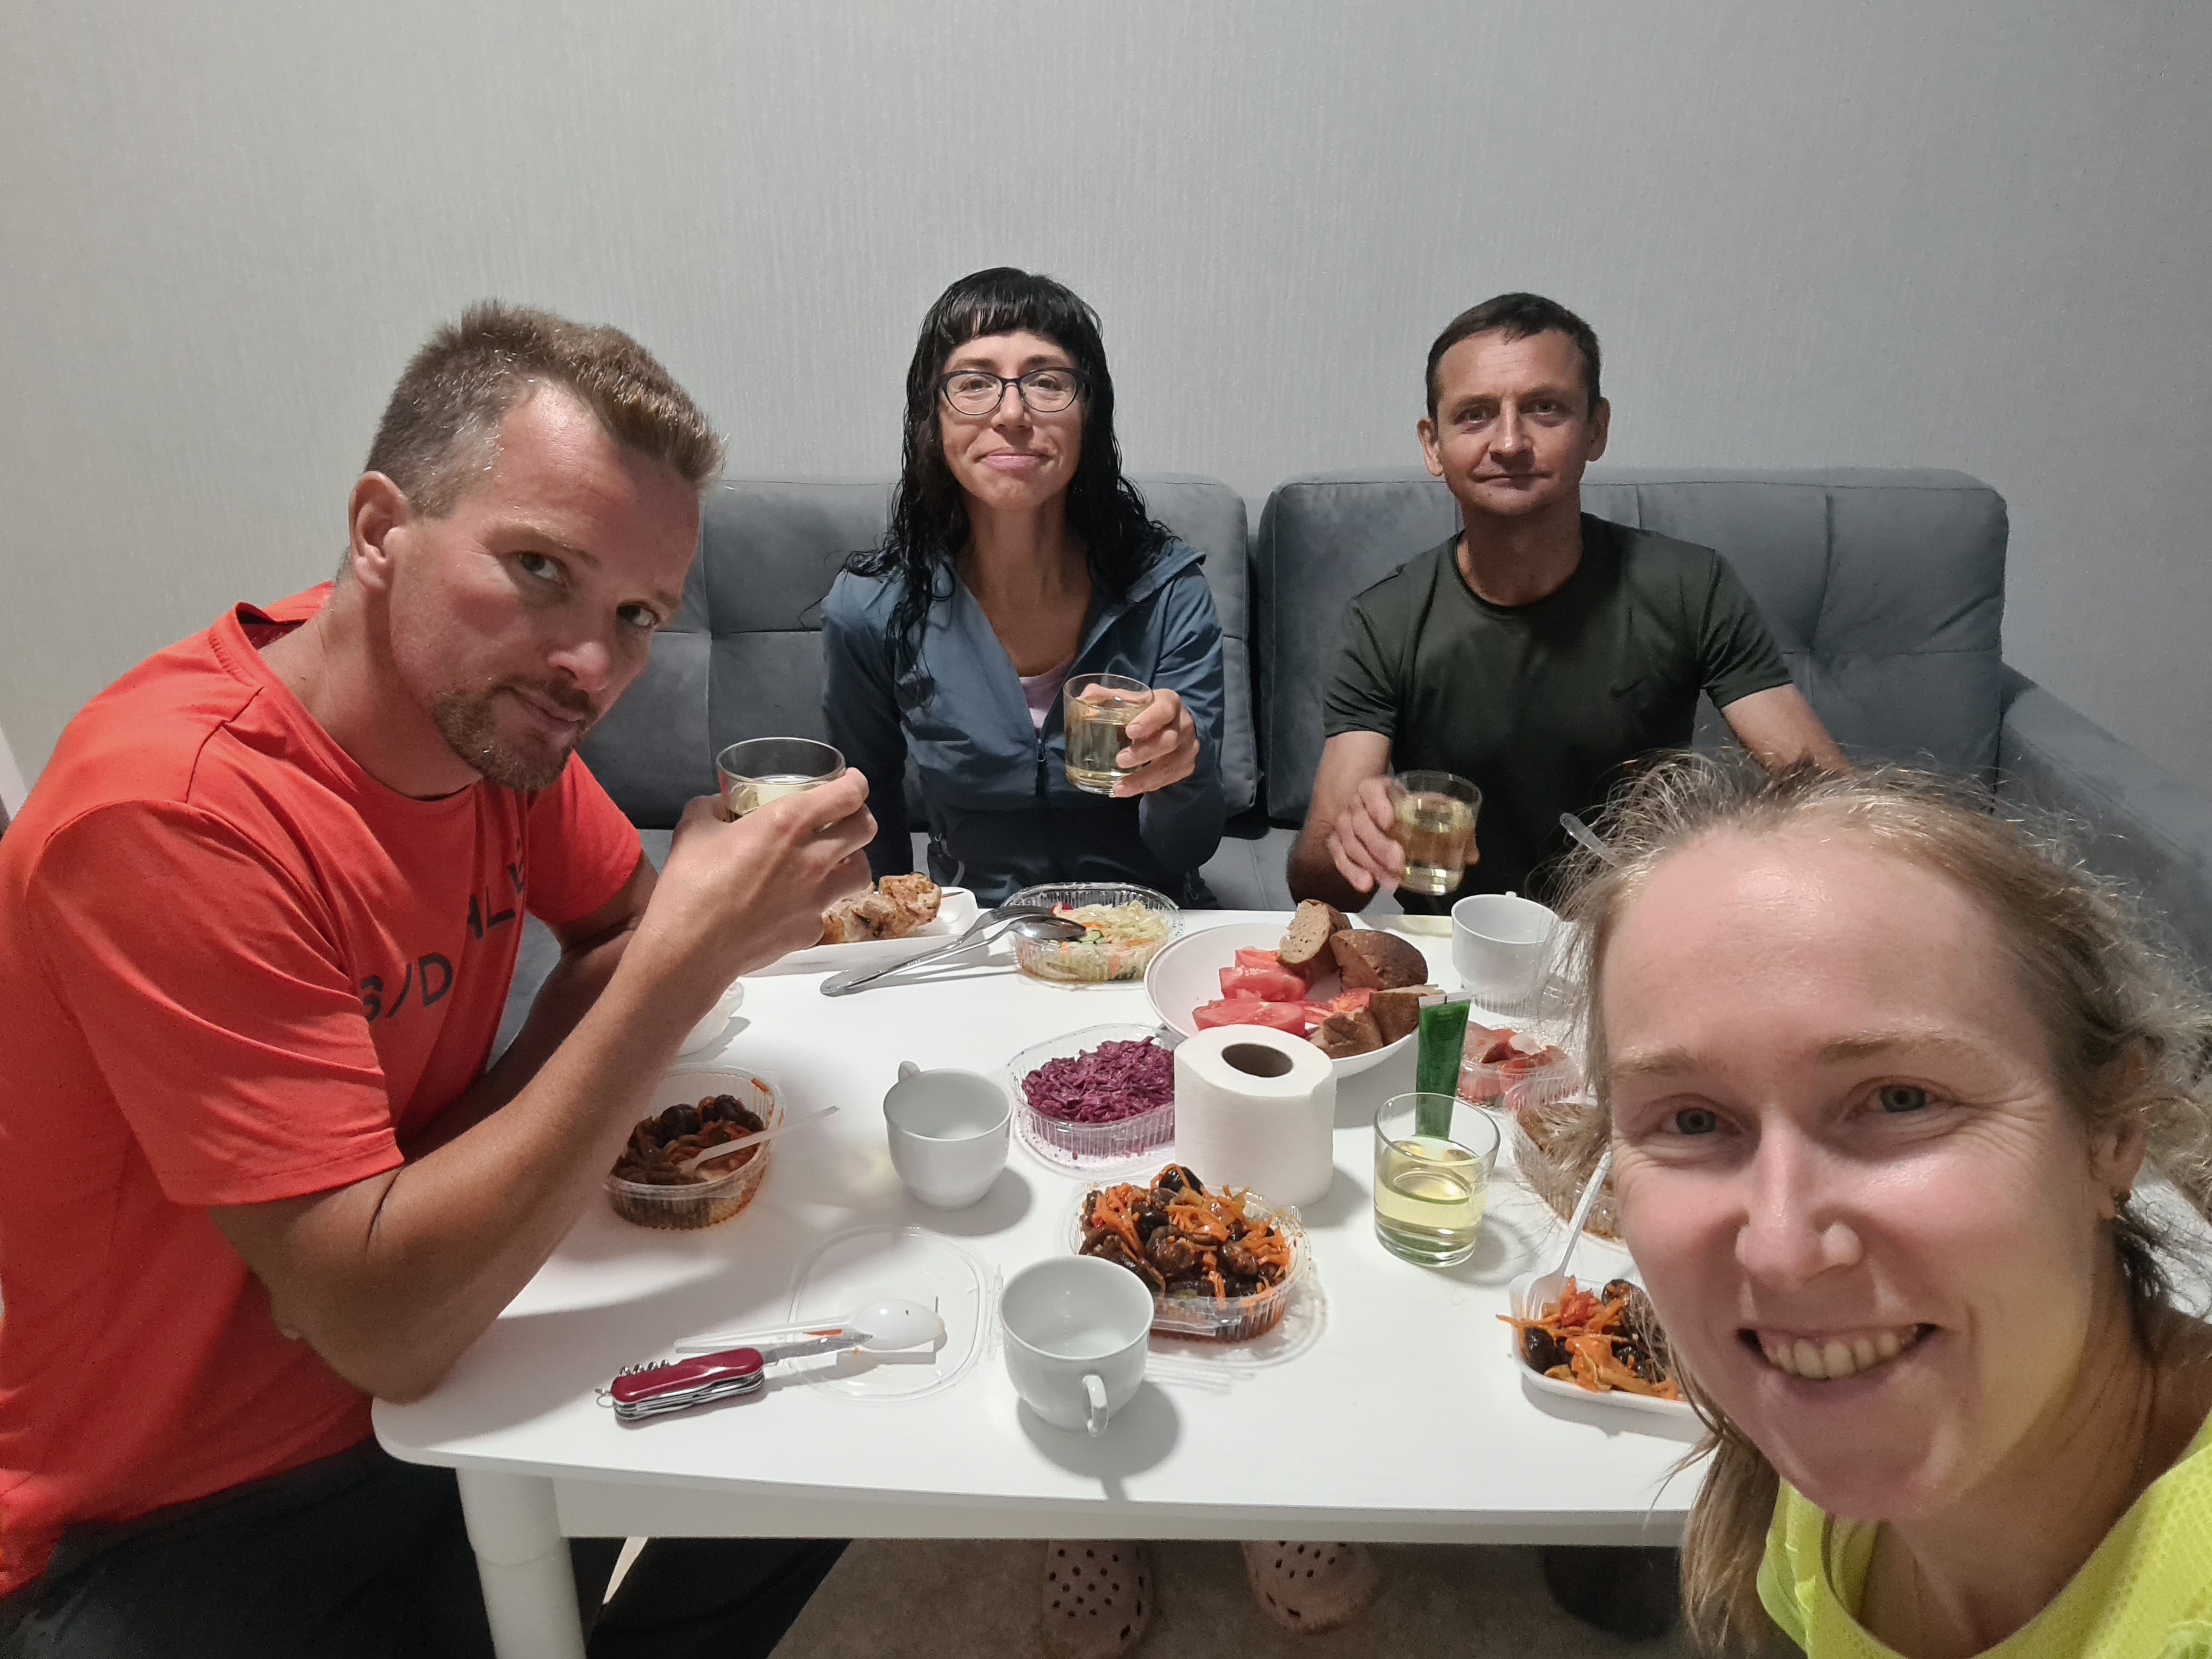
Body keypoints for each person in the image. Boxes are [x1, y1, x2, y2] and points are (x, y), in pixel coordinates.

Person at [0, 304, 873, 1657]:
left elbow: (617, 931)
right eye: (538, 567)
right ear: (378, 530)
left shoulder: (489, 730)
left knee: (829, 1428)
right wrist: (688, 958)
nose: (591, 666)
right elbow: (379, 1331)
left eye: (635, 615)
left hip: (447, 1345)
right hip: (178, 1509)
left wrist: (477, 1143)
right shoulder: (174, 815)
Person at [1562, 753, 2212, 1655]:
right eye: (1695, 1120)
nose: (1781, 1252)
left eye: (1901, 1100)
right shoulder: (1810, 1477)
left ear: (2112, 1133)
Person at [1289, 291, 1845, 915]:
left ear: (1596, 429)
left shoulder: (1691, 586)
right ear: (1433, 445)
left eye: (1545, 408)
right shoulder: (1384, 621)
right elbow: (1317, 888)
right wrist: (1360, 838)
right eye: (1474, 415)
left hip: (1636, 935)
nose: (1508, 442)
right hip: (1459, 949)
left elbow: (1832, 808)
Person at [823, 266, 1227, 908]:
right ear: (933, 417)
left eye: (1047, 382)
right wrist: (886, 939)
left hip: (1143, 927)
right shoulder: (872, 607)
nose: (1012, 413)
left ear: (1089, 415)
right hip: (974, 930)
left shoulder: (1168, 592)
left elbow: (1188, 847)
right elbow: (866, 816)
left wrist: (1184, 770)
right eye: (974, 382)